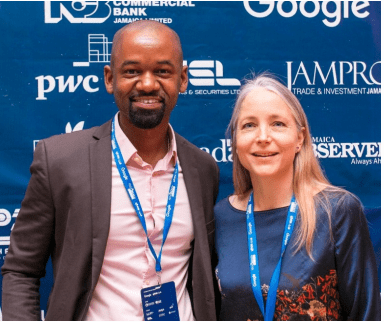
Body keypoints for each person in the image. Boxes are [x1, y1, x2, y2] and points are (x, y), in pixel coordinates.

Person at [2, 21, 219, 321]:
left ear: (182, 79)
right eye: (132, 71)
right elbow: (21, 270)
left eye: (162, 72)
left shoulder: (202, 169)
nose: (147, 84)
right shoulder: (60, 161)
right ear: (109, 78)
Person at [214, 73, 380, 321]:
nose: (262, 137)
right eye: (249, 125)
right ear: (236, 140)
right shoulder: (222, 216)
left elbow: (365, 314)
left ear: (299, 139)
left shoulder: (337, 210)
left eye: (277, 124)